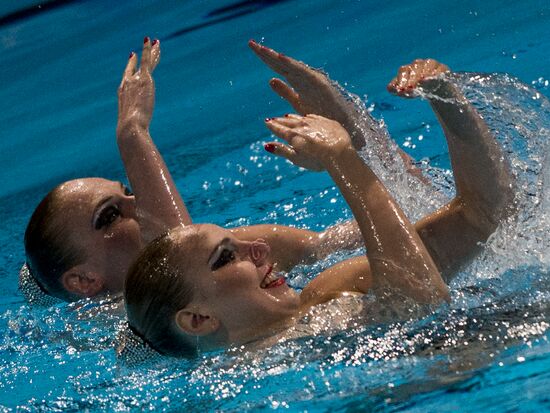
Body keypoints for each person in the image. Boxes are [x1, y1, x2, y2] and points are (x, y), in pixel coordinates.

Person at [22, 40, 513, 309]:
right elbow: (178, 264)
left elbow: (429, 221)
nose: (135, 206)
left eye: (127, 193)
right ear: (84, 279)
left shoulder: (287, 274)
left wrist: (361, 137)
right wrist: (133, 136)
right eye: (109, 216)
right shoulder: (122, 331)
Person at [121, 49, 516, 359]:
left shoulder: (329, 290)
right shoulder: (267, 368)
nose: (259, 248)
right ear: (197, 319)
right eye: (226, 257)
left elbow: (482, 218)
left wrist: (446, 99)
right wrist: (342, 161)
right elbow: (420, 302)